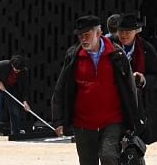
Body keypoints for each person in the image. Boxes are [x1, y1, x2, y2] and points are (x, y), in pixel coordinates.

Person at [50, 15, 144, 165]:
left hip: (113, 120)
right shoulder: (73, 56)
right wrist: (58, 120)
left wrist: (132, 122)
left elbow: (129, 89)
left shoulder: (117, 55)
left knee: (108, 156)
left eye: (87, 34)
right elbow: (61, 89)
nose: (83, 39)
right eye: (81, 36)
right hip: (83, 123)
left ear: (99, 33)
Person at [113, 13, 157, 145]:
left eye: (128, 31)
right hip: (116, 101)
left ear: (136, 31)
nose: (123, 35)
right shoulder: (110, 48)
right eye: (120, 31)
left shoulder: (146, 49)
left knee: (136, 145)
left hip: (139, 104)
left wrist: (143, 79)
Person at [0, 54, 29, 140]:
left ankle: (15, 133)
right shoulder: (2, 65)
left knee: (15, 110)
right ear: (12, 65)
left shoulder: (24, 71)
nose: (17, 72)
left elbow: (25, 87)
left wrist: (25, 101)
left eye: (19, 70)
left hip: (11, 88)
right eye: (16, 70)